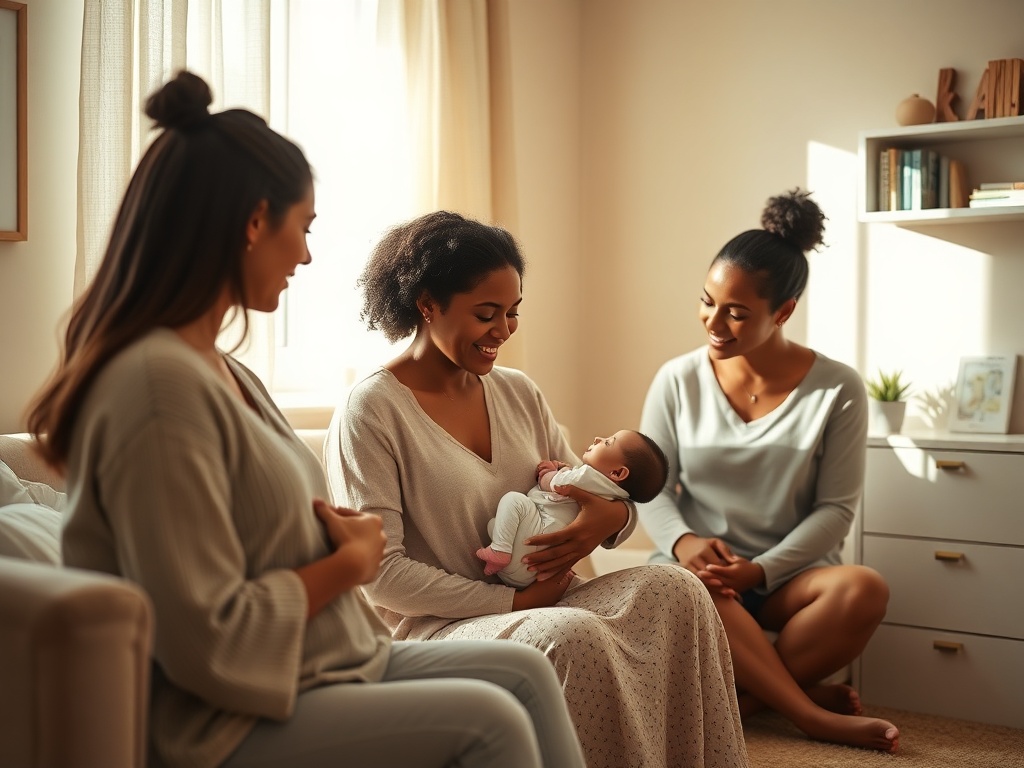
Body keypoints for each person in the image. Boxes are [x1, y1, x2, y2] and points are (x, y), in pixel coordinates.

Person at [26, 71, 586, 768]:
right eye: (303, 228)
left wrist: (326, 536)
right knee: (488, 718)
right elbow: (204, 633)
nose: (306, 254)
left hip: (322, 665)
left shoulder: (225, 372)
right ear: (255, 222)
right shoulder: (156, 388)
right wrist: (349, 564)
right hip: (220, 718)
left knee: (525, 676)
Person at [325, 210, 750, 768]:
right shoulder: (372, 411)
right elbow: (382, 577)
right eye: (486, 313)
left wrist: (609, 522)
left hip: (546, 599)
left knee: (679, 590)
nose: (503, 330)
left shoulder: (519, 392)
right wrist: (514, 600)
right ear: (427, 304)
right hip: (435, 626)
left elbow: (594, 490)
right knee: (575, 636)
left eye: (513, 312)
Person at [638, 188, 900, 753]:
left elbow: (835, 510)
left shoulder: (838, 387)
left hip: (784, 580)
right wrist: (683, 543)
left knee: (864, 590)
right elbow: (648, 485)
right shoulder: (676, 379)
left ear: (783, 313)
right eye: (707, 301)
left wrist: (759, 571)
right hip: (701, 574)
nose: (715, 322)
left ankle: (758, 702)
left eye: (737, 312)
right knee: (703, 593)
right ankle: (808, 713)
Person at [476, 430, 668, 587]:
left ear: (617, 472)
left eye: (609, 442)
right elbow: (615, 539)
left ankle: (500, 550)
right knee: (500, 523)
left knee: (513, 501)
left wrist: (548, 472)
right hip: (536, 572)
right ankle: (502, 552)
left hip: (532, 542)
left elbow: (555, 483)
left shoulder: (587, 476)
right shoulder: (615, 495)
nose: (598, 437)